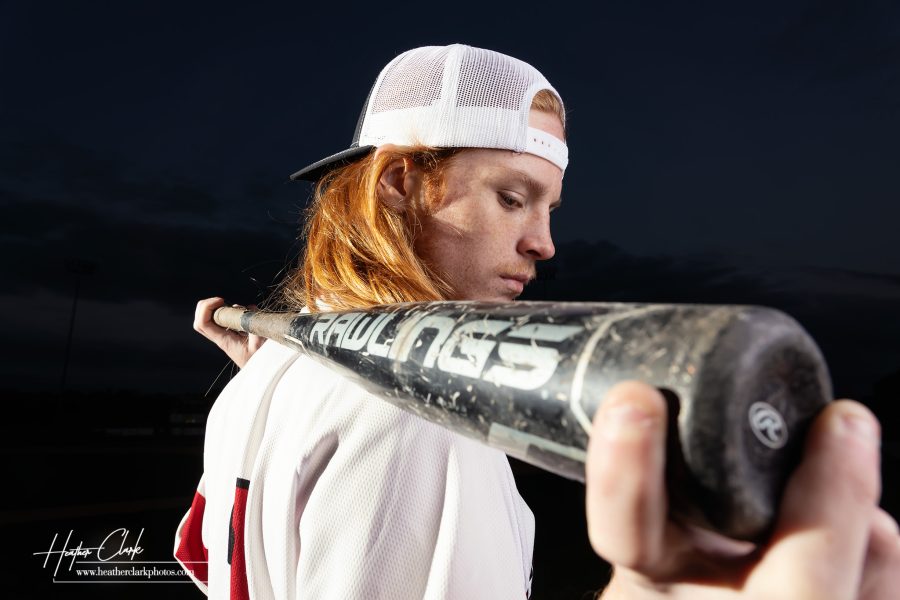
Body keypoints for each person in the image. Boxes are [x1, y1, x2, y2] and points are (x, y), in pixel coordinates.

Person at [185, 44, 900, 599]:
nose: (544, 243)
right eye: (511, 198)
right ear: (399, 184)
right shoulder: (427, 405)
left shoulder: (262, 380)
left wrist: (285, 388)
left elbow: (209, 560)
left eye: (549, 208)